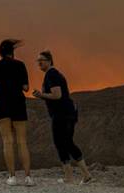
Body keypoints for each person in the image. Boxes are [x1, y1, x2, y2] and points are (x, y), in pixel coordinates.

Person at [32, 50, 92, 184]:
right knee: (68, 142)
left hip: (62, 114)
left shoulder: (51, 75)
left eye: (42, 60)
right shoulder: (55, 74)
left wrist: (41, 95)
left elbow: (57, 95)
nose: (39, 63)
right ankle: (85, 174)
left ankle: (70, 177)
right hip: (68, 113)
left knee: (61, 143)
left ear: (49, 61)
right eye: (38, 60)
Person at [0, 38, 33, 186]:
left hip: (1, 104)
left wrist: (1, 87)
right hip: (18, 103)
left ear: (0, 52)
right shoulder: (20, 65)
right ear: (12, 52)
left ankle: (12, 176)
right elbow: (26, 88)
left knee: (7, 141)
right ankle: (28, 177)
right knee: (22, 141)